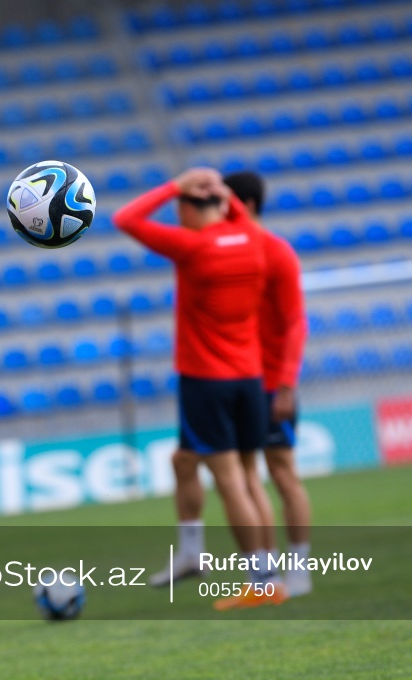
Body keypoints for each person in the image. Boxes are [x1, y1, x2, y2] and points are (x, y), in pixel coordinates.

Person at [113, 168, 287, 610]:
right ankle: (257, 570)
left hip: (206, 381)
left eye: (180, 208)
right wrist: (221, 191)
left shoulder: (192, 247)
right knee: (243, 475)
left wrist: (175, 184)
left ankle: (261, 579)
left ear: (191, 208)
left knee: (230, 482)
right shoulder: (252, 240)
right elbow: (239, 216)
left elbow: (126, 220)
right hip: (251, 378)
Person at [156, 172, 313, 597]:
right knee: (184, 461)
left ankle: (294, 568)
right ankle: (194, 552)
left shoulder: (273, 251)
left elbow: (296, 321)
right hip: (229, 375)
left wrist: (285, 384)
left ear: (237, 203)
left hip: (263, 381)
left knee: (277, 473)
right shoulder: (228, 248)